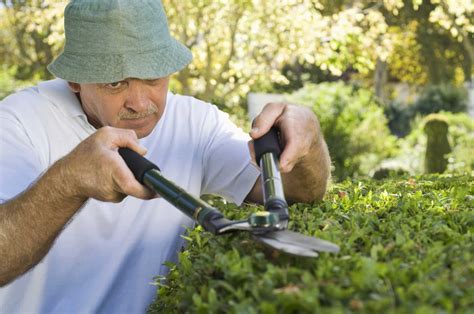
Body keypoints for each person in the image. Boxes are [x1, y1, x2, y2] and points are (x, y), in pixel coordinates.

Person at [0, 0, 330, 312]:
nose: (141, 103)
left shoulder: (196, 123)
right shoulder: (18, 122)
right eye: (116, 83)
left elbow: (299, 190)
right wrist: (67, 182)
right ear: (74, 79)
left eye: (154, 78)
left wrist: (308, 138)